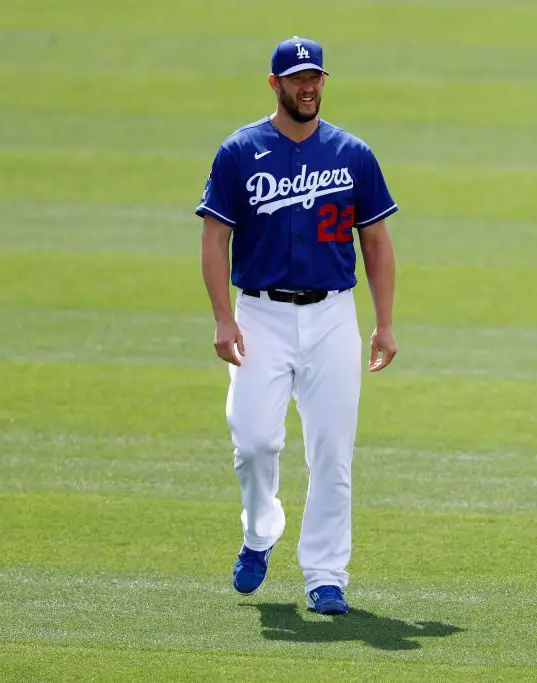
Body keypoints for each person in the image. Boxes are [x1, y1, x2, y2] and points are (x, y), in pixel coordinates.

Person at [195, 36, 399, 615]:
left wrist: (383, 324)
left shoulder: (352, 153)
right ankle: (260, 530)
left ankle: (326, 575)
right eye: (297, 78)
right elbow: (214, 237)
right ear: (275, 83)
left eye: (316, 78)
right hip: (259, 314)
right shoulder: (239, 151)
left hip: (334, 315)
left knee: (333, 451)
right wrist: (221, 316)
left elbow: (377, 242)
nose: (309, 87)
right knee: (255, 440)